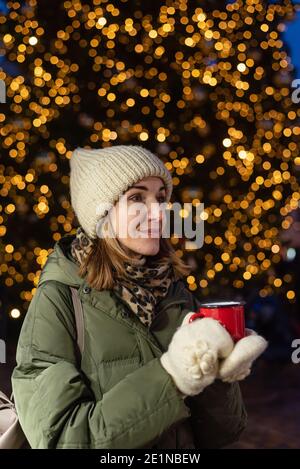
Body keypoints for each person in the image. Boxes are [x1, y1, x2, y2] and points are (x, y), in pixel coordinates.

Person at [11, 145, 266, 449]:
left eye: (160, 198)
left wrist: (219, 378)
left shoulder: (175, 293)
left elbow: (222, 434)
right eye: (136, 197)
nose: (159, 211)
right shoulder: (59, 300)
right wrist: (172, 377)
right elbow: (62, 439)